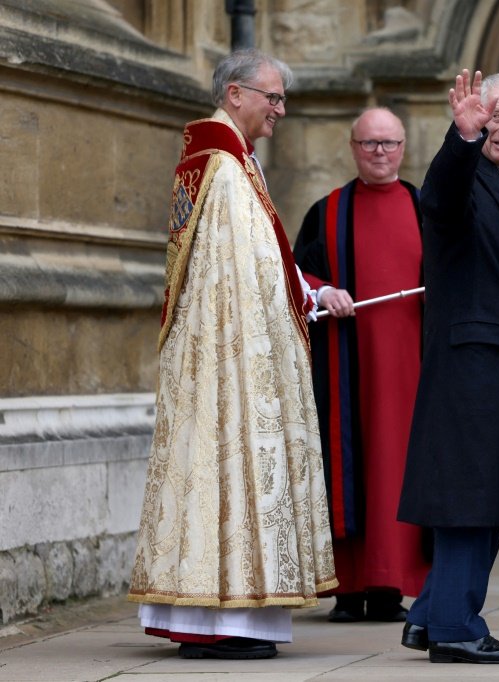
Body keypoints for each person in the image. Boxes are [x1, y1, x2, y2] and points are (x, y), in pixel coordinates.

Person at [126, 48, 339, 660]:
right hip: (230, 359)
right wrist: (286, 317)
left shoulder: (234, 160)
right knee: (228, 464)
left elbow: (264, 259)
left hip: (235, 352)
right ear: (236, 93)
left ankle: (222, 620)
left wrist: (310, 291)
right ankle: (221, 622)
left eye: (283, 99)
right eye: (272, 98)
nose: (281, 110)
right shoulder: (219, 164)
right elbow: (231, 277)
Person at [395, 69, 499, 665]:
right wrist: (460, 140)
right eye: (494, 117)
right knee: (469, 495)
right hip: (470, 365)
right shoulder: (467, 174)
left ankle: (430, 615)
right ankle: (456, 626)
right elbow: (440, 199)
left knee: (489, 490)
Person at [292, 107, 430, 624]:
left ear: (403, 148)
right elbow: (295, 274)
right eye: (370, 144)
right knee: (346, 466)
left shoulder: (427, 208)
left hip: (411, 371)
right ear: (352, 147)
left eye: (389, 143)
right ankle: (348, 589)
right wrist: (324, 290)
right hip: (345, 370)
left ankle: (391, 587)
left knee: (399, 470)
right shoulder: (326, 212)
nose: (380, 153)